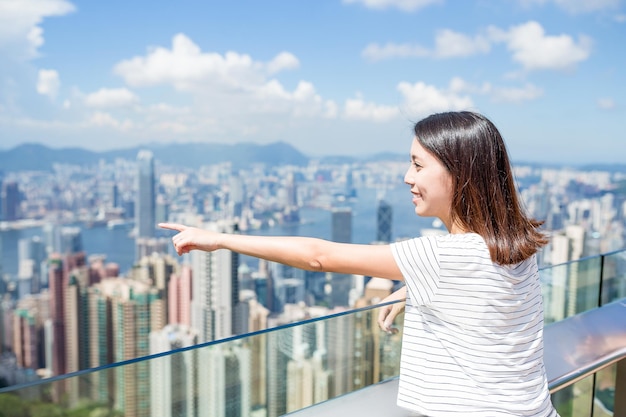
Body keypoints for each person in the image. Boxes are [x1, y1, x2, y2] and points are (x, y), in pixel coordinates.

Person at [159, 111, 559, 416]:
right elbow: (478, 293)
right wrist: (411, 290)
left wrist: (219, 239)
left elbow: (320, 256)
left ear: (459, 175)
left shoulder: (443, 257)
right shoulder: (515, 245)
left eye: (418, 165)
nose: (407, 177)